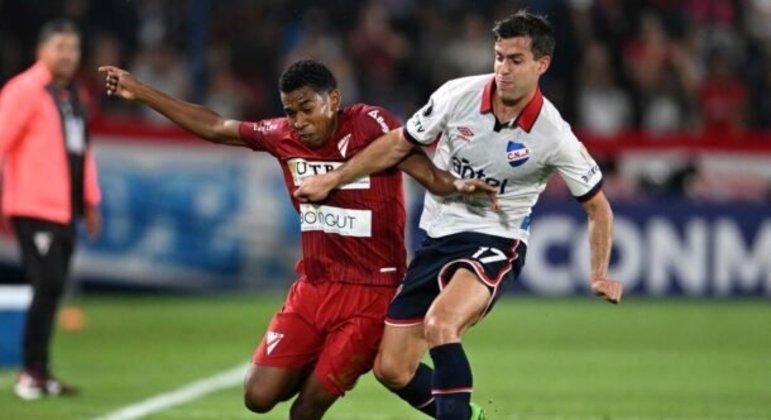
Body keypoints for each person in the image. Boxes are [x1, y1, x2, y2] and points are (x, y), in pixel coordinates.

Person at [99, 59, 495, 419]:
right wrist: (142, 91)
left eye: (307, 109)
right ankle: (328, 360)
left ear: (333, 99)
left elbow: (430, 175)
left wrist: (458, 185)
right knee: (258, 397)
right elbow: (217, 127)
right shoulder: (282, 136)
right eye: (291, 112)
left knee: (306, 409)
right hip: (313, 287)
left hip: (371, 293)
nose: (299, 121)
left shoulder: (370, 125)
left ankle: (460, 412)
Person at [295, 11, 624, 420]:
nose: (503, 69)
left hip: (496, 240)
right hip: (438, 237)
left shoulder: (553, 134)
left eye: (516, 60)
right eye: (499, 57)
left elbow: (598, 207)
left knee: (441, 324)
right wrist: (334, 179)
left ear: (542, 64)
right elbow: (398, 144)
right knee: (392, 368)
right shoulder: (458, 95)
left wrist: (599, 274)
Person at [0, 19, 102, 400]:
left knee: (53, 287)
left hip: (65, 209)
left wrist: (90, 200)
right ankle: (30, 372)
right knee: (47, 284)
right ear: (41, 50)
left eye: (73, 48)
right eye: (60, 47)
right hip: (32, 205)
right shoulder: (24, 91)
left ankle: (39, 371)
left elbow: (82, 150)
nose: (67, 56)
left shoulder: (72, 95)